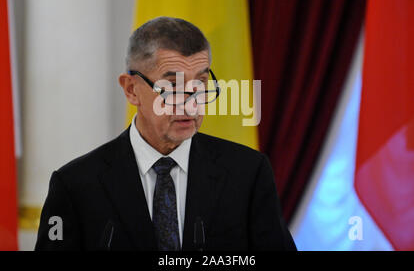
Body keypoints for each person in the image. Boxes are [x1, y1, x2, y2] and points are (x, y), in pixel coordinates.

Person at [35, 16, 296, 251]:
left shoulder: (248, 173)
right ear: (131, 89)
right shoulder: (75, 186)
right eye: (172, 86)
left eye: (200, 84)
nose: (191, 103)